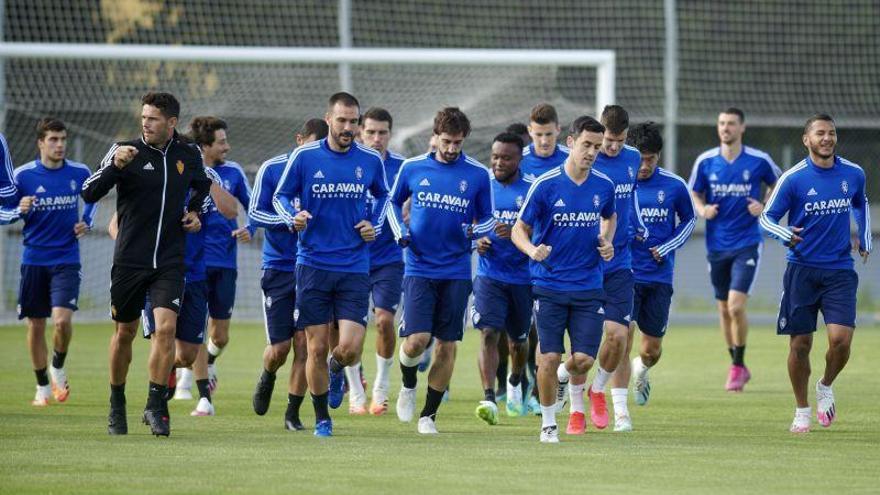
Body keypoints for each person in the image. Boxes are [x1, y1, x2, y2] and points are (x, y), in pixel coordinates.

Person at [81, 92, 211, 437]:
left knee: (166, 329)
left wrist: (195, 213)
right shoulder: (124, 150)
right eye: (143, 118)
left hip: (170, 260)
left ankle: (156, 406)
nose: (145, 124)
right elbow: (88, 192)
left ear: (171, 123)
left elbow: (203, 189)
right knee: (124, 333)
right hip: (129, 261)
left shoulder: (188, 154)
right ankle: (116, 403)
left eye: (153, 119)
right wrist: (114, 166)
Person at [273, 92, 389, 437]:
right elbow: (280, 195)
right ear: (329, 119)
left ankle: (338, 368)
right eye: (342, 120)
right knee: (316, 346)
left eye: (354, 121)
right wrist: (294, 216)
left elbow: (384, 196)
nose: (348, 127)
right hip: (312, 263)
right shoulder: (305, 156)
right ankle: (323, 417)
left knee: (350, 348)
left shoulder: (369, 159)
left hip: (354, 264)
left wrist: (375, 224)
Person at [759, 114, 871, 433]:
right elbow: (766, 218)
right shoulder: (793, 179)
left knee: (840, 340)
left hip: (839, 270)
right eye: (820, 133)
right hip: (802, 271)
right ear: (806, 140)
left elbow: (860, 203)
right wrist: (785, 234)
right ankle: (801, 409)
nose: (827, 138)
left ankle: (825, 385)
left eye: (832, 133)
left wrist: (864, 238)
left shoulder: (853, 173)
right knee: (800, 346)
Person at [387, 107, 494, 434]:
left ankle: (428, 416)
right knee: (416, 341)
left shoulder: (476, 175)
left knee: (447, 345)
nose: (451, 148)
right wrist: (400, 233)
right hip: (419, 267)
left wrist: (473, 233)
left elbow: (489, 218)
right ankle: (407, 384)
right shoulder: (412, 167)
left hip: (457, 272)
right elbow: (391, 204)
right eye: (446, 141)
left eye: (457, 143)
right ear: (435, 137)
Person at [511, 115, 617, 443]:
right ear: (570, 143)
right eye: (586, 144)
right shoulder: (545, 185)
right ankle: (548, 424)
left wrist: (607, 241)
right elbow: (519, 229)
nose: (591, 152)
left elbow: (610, 215)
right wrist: (531, 251)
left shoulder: (604, 185)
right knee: (548, 355)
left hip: (588, 285)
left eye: (597, 147)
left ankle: (560, 376)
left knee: (583, 359)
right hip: (550, 284)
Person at [557, 105, 644, 434]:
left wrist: (637, 224)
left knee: (619, 335)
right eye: (608, 140)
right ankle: (576, 409)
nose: (612, 148)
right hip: (582, 264)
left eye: (619, 141)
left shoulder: (632, 159)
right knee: (581, 345)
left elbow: (629, 199)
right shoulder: (581, 158)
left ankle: (598, 391)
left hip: (619, 260)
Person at [0, 118, 95, 406]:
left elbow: (94, 195)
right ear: (40, 142)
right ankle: (42, 386)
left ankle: (58, 365)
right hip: (34, 260)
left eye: (63, 139)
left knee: (62, 322)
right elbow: (5, 208)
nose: (60, 145)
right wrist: (19, 208)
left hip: (66, 258)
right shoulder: (22, 176)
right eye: (53, 139)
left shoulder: (80, 172)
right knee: (36, 325)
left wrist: (86, 221)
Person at [689, 108, 781, 391]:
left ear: (742, 128)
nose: (725, 128)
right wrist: (702, 208)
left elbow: (780, 182)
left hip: (747, 242)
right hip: (716, 245)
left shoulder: (758, 160)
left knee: (735, 305)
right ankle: (736, 365)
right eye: (721, 123)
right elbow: (694, 191)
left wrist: (765, 206)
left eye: (730, 124)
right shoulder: (706, 161)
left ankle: (738, 365)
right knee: (723, 309)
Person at [138, 164, 237, 417]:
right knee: (163, 335)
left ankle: (169, 369)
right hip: (159, 273)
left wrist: (207, 182)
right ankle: (156, 406)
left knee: (187, 354)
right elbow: (118, 222)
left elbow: (231, 210)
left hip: (194, 275)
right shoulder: (156, 174)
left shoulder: (207, 177)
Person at [249, 118, 327, 431]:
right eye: (311, 147)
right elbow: (255, 214)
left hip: (311, 268)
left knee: (305, 346)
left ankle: (292, 414)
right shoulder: (272, 168)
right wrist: (288, 221)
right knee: (280, 349)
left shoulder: (328, 171)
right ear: (299, 140)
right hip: (279, 267)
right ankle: (267, 374)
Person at [625, 122, 696, 427]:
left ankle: (641, 369)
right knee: (619, 338)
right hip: (624, 275)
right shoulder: (619, 183)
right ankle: (618, 411)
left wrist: (667, 247)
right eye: (639, 158)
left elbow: (689, 221)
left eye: (650, 159)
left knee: (651, 350)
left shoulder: (674, 185)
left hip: (658, 277)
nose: (644, 166)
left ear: (658, 157)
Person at [348, 107, 407, 416]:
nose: (376, 138)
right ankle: (356, 392)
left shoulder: (402, 167)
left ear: (390, 134)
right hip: (351, 259)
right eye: (370, 132)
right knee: (351, 330)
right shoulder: (349, 163)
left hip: (388, 259)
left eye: (382, 132)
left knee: (384, 321)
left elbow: (410, 204)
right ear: (360, 133)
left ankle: (381, 387)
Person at [472, 132, 533, 425]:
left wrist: (520, 234)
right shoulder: (481, 184)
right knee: (488, 333)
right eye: (495, 156)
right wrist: (478, 240)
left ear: (519, 159)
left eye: (506, 157)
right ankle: (487, 396)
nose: (498, 162)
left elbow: (547, 231)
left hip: (523, 277)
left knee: (518, 342)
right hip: (489, 274)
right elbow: (468, 222)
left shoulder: (533, 189)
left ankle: (515, 379)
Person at [189, 117, 253, 395]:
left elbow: (254, 207)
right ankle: (187, 384)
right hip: (195, 263)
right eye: (222, 142)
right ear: (205, 146)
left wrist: (250, 227)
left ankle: (210, 363)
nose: (227, 146)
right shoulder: (184, 172)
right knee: (195, 327)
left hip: (226, 262)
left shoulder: (234, 173)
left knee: (220, 335)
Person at [519, 103, 568, 181]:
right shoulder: (517, 160)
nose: (544, 141)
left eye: (549, 134)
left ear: (558, 129)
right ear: (529, 131)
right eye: (539, 134)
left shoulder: (572, 158)